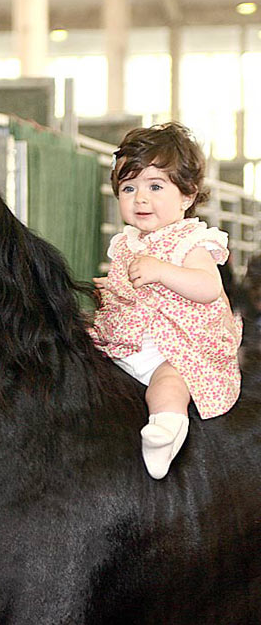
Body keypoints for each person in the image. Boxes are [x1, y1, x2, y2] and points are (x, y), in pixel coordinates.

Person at [90, 122, 242, 479]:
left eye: (155, 186)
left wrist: (162, 271)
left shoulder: (190, 241)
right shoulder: (126, 243)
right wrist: (110, 289)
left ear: (187, 196)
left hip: (175, 346)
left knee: (169, 383)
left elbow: (207, 287)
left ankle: (165, 431)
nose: (140, 198)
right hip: (130, 340)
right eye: (129, 188)